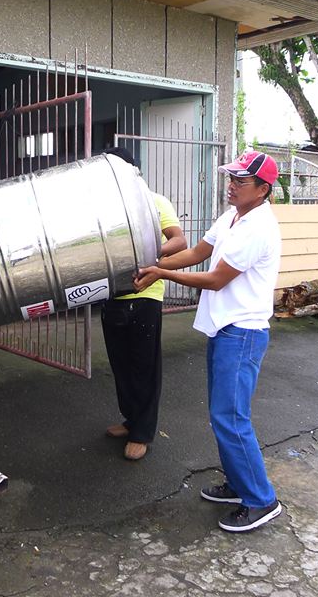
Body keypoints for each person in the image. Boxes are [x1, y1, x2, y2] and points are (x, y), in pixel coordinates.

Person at [134, 150, 282, 532]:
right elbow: (199, 252)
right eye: (230, 178)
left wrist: (159, 275)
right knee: (223, 416)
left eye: (240, 181)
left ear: (263, 189)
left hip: (243, 332)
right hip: (225, 328)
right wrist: (154, 266)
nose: (230, 186)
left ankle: (261, 500)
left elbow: (216, 278)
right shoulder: (233, 216)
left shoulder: (258, 227)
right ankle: (239, 483)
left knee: (230, 418)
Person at [100, 147, 186, 461]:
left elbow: (179, 240)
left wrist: (148, 256)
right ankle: (130, 419)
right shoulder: (106, 208)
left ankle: (143, 432)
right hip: (114, 297)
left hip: (145, 296)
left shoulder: (155, 201)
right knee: (121, 365)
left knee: (144, 367)